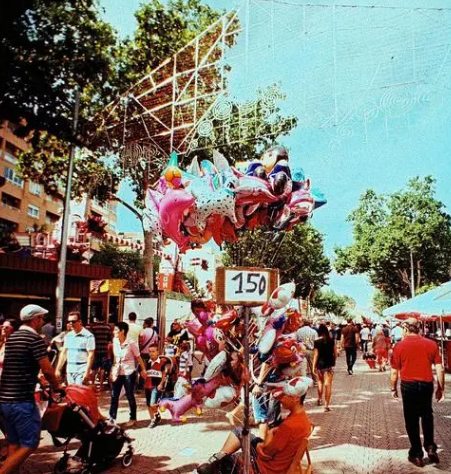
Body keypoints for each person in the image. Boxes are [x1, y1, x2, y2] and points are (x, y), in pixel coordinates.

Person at [195, 378, 313, 474]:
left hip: (265, 468)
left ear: (296, 398)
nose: (281, 399)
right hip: (276, 462)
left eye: (284, 395)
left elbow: (266, 454)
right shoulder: (303, 419)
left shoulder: (289, 426)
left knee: (227, 460)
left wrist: (268, 436)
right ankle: (215, 460)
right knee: (240, 431)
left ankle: (215, 462)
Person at [0, 305, 61, 474]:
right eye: (41, 318)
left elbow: (19, 366)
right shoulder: (35, 340)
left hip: (4, 400)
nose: (42, 321)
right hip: (21, 401)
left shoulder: (12, 338)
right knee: (30, 443)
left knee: (14, 442)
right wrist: (57, 387)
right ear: (35, 320)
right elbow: (48, 370)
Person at [390, 317, 445, 467]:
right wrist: (441, 388)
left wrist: (393, 388)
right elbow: (440, 368)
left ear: (406, 329)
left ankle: (417, 453)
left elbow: (394, 372)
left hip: (409, 386)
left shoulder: (399, 346)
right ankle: (430, 446)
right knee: (427, 415)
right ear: (419, 328)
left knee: (411, 419)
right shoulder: (431, 344)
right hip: (427, 384)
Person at [109, 322, 147, 428]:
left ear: (122, 331)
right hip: (117, 371)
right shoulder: (115, 341)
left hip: (128, 372)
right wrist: (112, 370)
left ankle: (133, 418)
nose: (113, 332)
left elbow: (138, 357)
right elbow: (115, 358)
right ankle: (112, 418)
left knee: (130, 395)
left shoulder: (131, 342)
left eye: (116, 330)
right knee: (114, 395)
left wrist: (143, 370)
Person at [55, 312, 95, 386]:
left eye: (73, 321)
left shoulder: (88, 336)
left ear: (80, 322)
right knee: (72, 394)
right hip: (70, 371)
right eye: (69, 321)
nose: (71, 323)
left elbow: (91, 355)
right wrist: (58, 369)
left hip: (81, 371)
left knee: (79, 394)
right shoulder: (68, 336)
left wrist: (87, 371)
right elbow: (64, 353)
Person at [313, 324, 337, 412]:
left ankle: (319, 399)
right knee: (328, 385)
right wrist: (333, 360)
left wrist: (313, 366)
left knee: (320, 382)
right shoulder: (331, 340)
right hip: (329, 364)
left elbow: (316, 355)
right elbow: (335, 352)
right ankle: (326, 405)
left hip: (320, 364)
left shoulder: (317, 341)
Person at [144, 344, 169, 428]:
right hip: (147, 385)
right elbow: (145, 374)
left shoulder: (162, 363)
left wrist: (161, 384)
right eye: (150, 352)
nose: (151, 353)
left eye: (153, 351)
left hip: (155, 386)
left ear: (157, 352)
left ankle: (154, 420)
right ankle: (155, 417)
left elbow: (164, 375)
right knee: (148, 404)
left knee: (152, 404)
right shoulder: (147, 362)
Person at [88, 315, 113, 391]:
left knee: (94, 368)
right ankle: (101, 385)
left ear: (97, 319)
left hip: (96, 350)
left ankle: (92, 384)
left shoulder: (94, 328)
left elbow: (91, 338)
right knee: (102, 368)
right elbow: (109, 340)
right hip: (104, 350)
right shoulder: (108, 327)